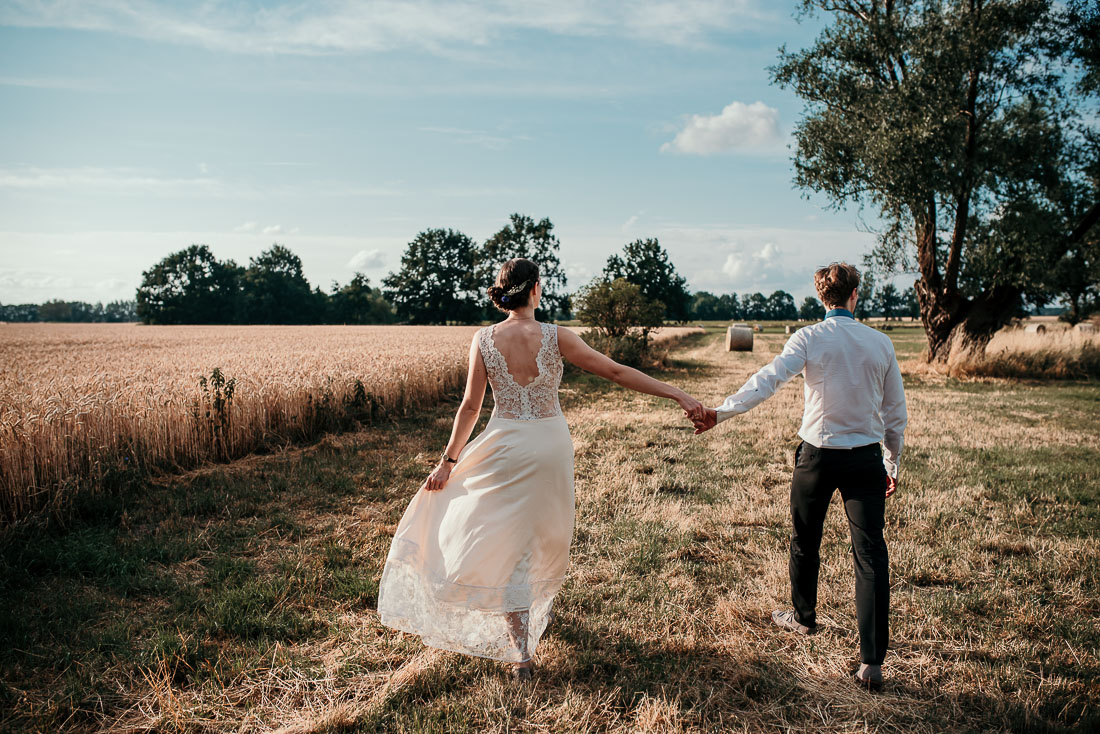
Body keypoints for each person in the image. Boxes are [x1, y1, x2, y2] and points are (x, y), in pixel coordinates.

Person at [376, 257, 705, 681]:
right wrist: (676, 393)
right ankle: (522, 633)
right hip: (549, 445)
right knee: (535, 537)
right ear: (534, 289)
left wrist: (448, 463)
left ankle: (521, 654)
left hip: (504, 444)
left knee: (504, 532)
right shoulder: (556, 336)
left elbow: (471, 406)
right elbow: (615, 370)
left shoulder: (483, 339)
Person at [690, 262, 907, 691]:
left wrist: (722, 412)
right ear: (854, 295)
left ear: (821, 298)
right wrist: (891, 462)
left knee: (805, 539)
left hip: (817, 456)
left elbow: (766, 381)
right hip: (865, 459)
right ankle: (871, 662)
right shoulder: (880, 343)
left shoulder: (808, 337)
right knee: (870, 555)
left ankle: (804, 619)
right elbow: (895, 414)